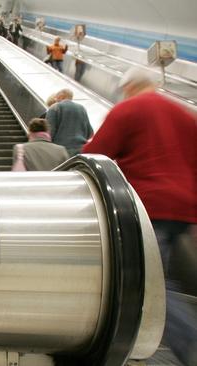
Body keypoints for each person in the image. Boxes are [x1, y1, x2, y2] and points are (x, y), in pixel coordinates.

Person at [82, 67, 197, 366]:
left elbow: (97, 154)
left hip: (148, 207)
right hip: (184, 209)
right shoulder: (184, 114)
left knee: (149, 285)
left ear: (130, 86)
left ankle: (190, 344)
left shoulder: (129, 109)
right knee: (162, 279)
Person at [45, 88, 93, 156]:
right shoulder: (82, 108)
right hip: (81, 151)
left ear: (61, 96)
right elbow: (90, 132)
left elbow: (49, 132)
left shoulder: (55, 107)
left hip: (61, 151)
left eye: (56, 98)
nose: (56, 100)